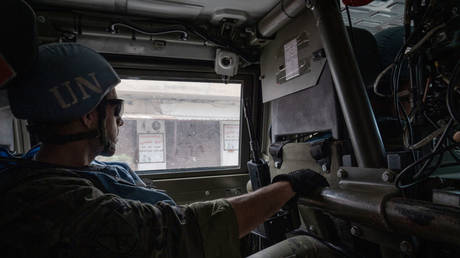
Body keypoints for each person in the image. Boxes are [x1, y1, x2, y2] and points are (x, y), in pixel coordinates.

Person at [0, 41, 331, 258]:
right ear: (89, 115)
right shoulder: (58, 203)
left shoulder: (75, 173)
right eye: (116, 109)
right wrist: (287, 185)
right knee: (309, 250)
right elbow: (182, 233)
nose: (122, 122)